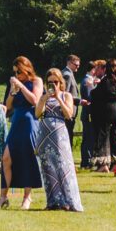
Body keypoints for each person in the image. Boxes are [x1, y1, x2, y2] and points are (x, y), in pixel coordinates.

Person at [34, 68, 84, 211]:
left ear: (60, 82)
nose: (53, 85)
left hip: (59, 134)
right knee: (47, 167)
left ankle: (68, 201)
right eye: (50, 82)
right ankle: (53, 201)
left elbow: (68, 114)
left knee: (63, 166)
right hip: (44, 134)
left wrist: (58, 98)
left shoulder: (66, 95)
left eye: (55, 82)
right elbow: (37, 114)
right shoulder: (43, 97)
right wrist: (44, 98)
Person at [0, 58, 43, 209]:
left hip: (30, 122)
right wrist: (13, 91)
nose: (17, 74)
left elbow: (35, 100)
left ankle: (27, 196)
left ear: (26, 68)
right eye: (15, 72)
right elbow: (8, 105)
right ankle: (3, 197)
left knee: (27, 157)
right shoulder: (15, 83)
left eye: (19, 71)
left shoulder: (37, 81)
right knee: (6, 158)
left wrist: (22, 86)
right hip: (16, 121)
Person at [86, 63, 116, 172]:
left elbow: (95, 94)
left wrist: (91, 87)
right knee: (113, 136)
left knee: (102, 136)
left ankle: (103, 164)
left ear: (106, 69)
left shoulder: (106, 80)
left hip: (105, 112)